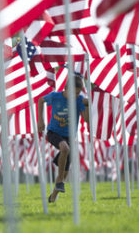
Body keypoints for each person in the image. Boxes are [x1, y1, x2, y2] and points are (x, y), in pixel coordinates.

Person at [37, 75, 89, 203]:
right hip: (54, 132)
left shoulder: (79, 100)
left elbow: (87, 119)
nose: (76, 95)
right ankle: (59, 181)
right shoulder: (55, 96)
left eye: (78, 93)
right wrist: (40, 120)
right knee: (65, 148)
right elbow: (40, 101)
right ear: (65, 89)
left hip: (70, 136)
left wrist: (87, 105)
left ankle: (53, 195)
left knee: (66, 170)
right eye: (73, 93)